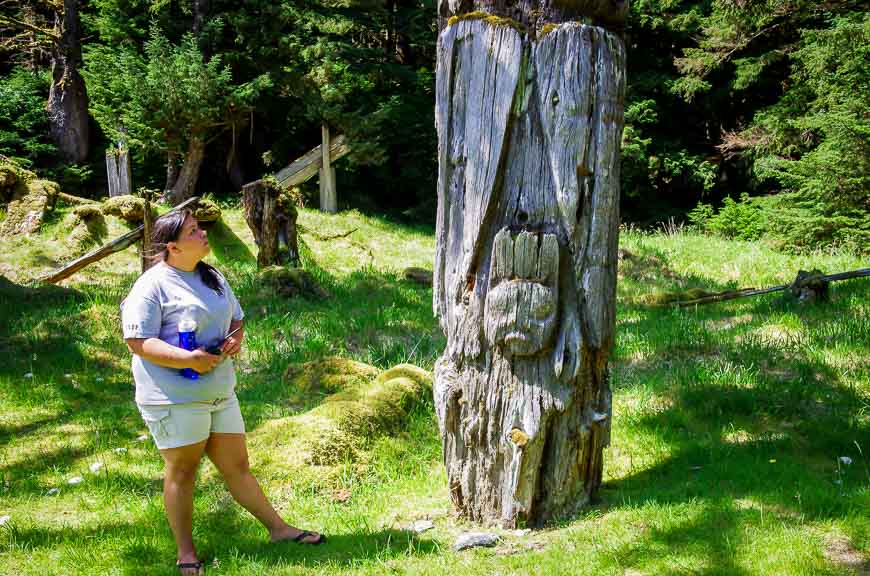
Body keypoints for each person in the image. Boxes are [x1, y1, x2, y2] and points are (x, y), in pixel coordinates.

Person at [121, 210, 324, 575]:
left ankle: (279, 530)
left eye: (200, 228)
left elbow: (236, 317)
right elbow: (137, 340)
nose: (202, 234)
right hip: (173, 396)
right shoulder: (152, 285)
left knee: (238, 467)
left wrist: (235, 337)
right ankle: (186, 554)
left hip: (219, 390)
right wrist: (188, 358)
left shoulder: (212, 276)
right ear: (172, 246)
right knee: (182, 471)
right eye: (193, 231)